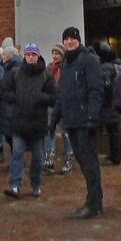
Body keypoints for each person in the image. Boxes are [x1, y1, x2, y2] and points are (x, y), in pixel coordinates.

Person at [54, 26, 104, 219]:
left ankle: (94, 204)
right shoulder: (67, 64)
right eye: (65, 39)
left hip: (84, 121)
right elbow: (62, 95)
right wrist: (54, 119)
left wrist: (93, 116)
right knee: (83, 162)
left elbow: (95, 90)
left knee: (89, 163)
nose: (68, 42)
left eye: (72, 39)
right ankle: (93, 200)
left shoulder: (89, 60)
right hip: (72, 121)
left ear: (79, 40)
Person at [1, 43, 56, 199]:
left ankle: (36, 184)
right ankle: (14, 185)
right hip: (19, 122)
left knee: (38, 158)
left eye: (34, 54)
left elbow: (54, 96)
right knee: (17, 154)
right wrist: (16, 98)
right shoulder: (15, 73)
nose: (31, 57)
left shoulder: (46, 75)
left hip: (38, 123)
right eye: (28, 54)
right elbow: (5, 91)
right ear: (24, 56)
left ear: (38, 56)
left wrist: (41, 98)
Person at [92, 41, 121, 166]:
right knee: (114, 130)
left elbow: (105, 86)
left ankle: (115, 157)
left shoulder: (105, 67)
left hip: (108, 104)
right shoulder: (117, 64)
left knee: (111, 131)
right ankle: (116, 156)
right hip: (117, 103)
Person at [44, 44, 71, 174]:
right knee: (49, 129)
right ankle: (49, 159)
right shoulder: (50, 68)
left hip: (65, 103)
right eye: (53, 53)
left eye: (57, 54)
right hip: (52, 104)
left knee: (66, 132)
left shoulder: (68, 67)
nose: (54, 56)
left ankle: (68, 159)